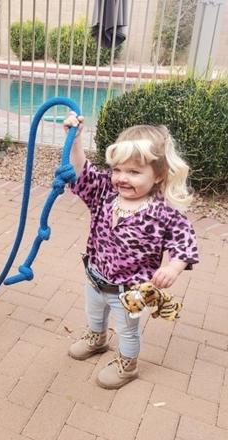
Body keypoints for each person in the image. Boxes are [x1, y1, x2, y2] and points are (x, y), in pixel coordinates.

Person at [64, 112, 199, 389]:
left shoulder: (164, 212)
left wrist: (172, 267)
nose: (122, 178)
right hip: (96, 276)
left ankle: (128, 365)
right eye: (118, 169)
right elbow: (82, 172)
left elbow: (185, 242)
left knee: (127, 330)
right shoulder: (105, 192)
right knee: (94, 313)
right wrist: (75, 142)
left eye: (134, 172)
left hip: (130, 292)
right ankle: (97, 338)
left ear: (158, 175)